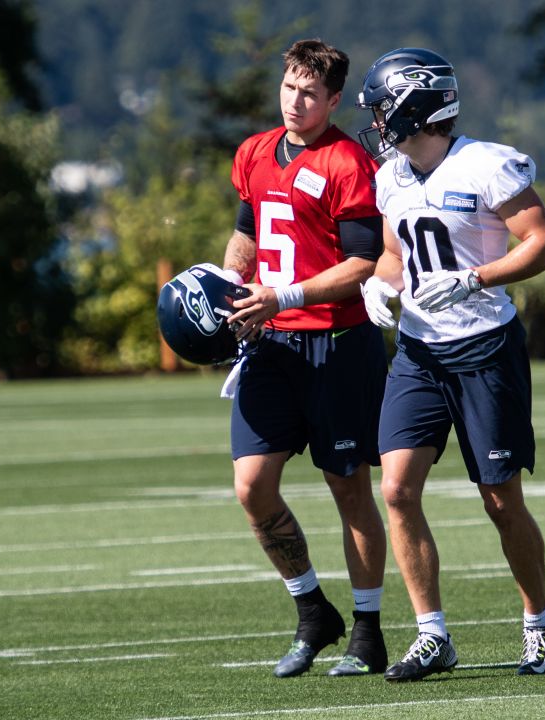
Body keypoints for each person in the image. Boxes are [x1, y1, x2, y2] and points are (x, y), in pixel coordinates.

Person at [354, 47, 545, 682]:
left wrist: (475, 278)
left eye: (382, 105)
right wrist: (380, 286)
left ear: (415, 104)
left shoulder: (485, 164)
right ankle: (432, 635)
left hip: (484, 348)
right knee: (396, 489)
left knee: (500, 501)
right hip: (419, 350)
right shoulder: (391, 174)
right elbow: (396, 253)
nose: (376, 118)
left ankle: (538, 623)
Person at [215, 38, 389, 678]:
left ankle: (367, 631)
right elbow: (247, 229)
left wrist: (279, 295)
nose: (296, 101)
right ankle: (313, 610)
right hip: (269, 341)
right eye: (289, 88)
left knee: (348, 487)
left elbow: (362, 265)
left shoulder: (348, 163)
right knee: (251, 485)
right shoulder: (256, 152)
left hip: (336, 344)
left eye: (310, 93)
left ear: (334, 99)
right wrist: (231, 291)